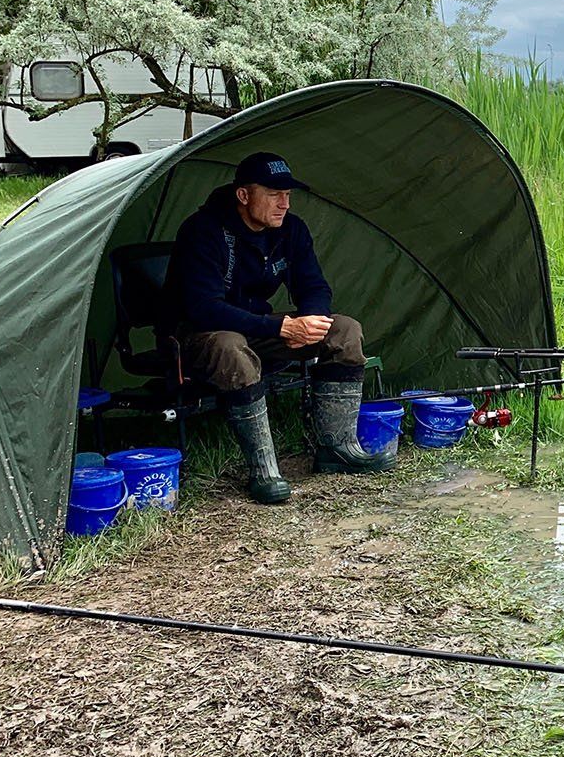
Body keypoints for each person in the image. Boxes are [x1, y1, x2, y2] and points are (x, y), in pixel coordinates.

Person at [165, 152, 393, 504]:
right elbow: (203, 309)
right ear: (244, 196)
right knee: (230, 348)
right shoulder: (203, 231)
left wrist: (312, 321)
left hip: (261, 328)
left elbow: (314, 286)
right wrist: (281, 327)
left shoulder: (291, 230)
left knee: (344, 331)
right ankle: (264, 468)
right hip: (198, 334)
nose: (284, 203)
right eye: (274, 194)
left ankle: (337, 447)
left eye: (288, 194)